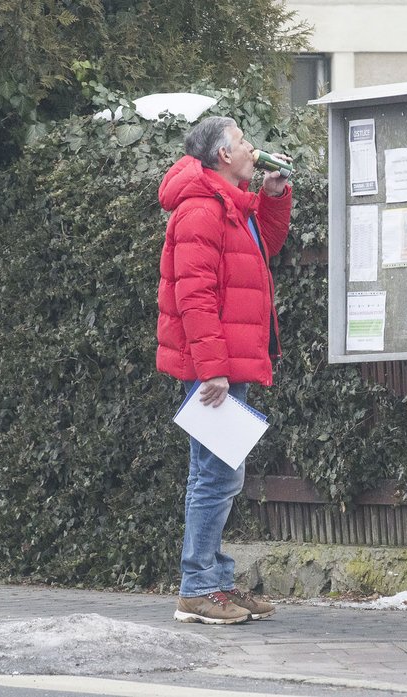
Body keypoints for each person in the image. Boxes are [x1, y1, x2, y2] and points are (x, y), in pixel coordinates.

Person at [156, 115, 292, 624]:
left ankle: (214, 582)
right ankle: (198, 587)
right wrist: (211, 369)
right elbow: (193, 297)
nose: (252, 148)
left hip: (227, 363)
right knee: (218, 478)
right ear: (222, 157)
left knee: (213, 474)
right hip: (215, 368)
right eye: (242, 142)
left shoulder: (229, 203)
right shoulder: (200, 211)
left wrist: (274, 196)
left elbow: (266, 247)